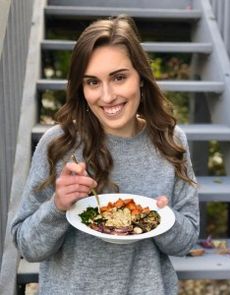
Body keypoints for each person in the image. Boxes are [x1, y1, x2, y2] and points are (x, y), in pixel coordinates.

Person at [12, 15, 199, 295]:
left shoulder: (170, 141)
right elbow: (27, 247)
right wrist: (57, 206)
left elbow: (185, 243)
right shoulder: (60, 145)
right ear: (81, 87)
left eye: (119, 77)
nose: (107, 95)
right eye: (92, 82)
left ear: (141, 78)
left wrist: (162, 217)